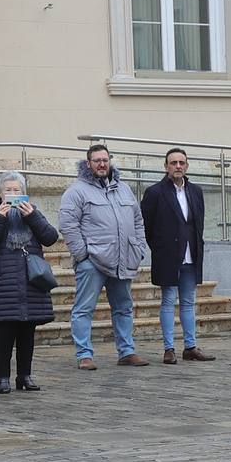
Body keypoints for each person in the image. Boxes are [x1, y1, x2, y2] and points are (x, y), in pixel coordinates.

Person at [59, 143, 151, 369]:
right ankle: (84, 354)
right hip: (93, 262)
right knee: (84, 309)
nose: (102, 164)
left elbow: (138, 221)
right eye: (97, 160)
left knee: (123, 307)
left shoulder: (124, 189)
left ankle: (127, 352)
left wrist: (138, 248)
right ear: (88, 164)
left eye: (105, 160)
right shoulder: (76, 191)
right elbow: (68, 225)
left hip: (123, 260)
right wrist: (83, 255)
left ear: (110, 161)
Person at [0, 172, 59, 393]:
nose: (13, 195)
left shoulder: (32, 213)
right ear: (0, 194)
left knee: (27, 332)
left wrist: (33, 216)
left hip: (31, 282)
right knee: (4, 332)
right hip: (4, 282)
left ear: (24, 193)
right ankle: (2, 378)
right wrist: (0, 219)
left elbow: (50, 237)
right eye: (8, 191)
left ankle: (25, 376)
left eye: (17, 191)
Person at [141, 148, 215, 365]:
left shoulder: (195, 191)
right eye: (173, 163)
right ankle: (169, 348)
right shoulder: (155, 192)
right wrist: (159, 249)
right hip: (168, 256)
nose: (178, 166)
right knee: (168, 301)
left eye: (181, 163)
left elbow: (197, 223)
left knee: (189, 302)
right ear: (166, 167)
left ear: (187, 166)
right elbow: (147, 226)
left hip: (191, 254)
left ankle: (190, 346)